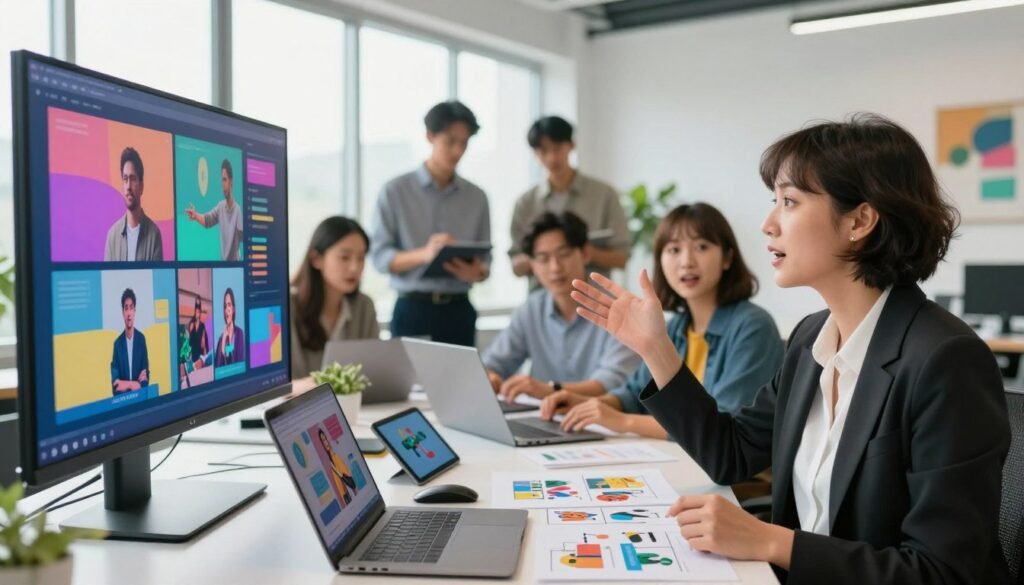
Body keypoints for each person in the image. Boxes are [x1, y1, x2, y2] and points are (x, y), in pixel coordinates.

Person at [569, 114, 1011, 584]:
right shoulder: (809, 340)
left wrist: (770, 541)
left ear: (860, 220)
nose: (767, 224)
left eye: (789, 202)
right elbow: (730, 454)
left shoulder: (945, 360)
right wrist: (655, 348)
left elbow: (942, 573)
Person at [541, 203, 783, 440]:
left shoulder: (753, 327)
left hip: (740, 479)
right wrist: (588, 403)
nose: (687, 261)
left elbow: (721, 428)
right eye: (674, 250)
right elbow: (633, 393)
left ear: (727, 258)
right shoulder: (676, 326)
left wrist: (623, 422)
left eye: (701, 246)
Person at [482, 212, 640, 402]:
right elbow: (493, 363)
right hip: (542, 416)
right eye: (543, 258)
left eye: (564, 254)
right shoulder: (531, 309)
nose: (555, 267)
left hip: (603, 418)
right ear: (531, 264)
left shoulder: (617, 307)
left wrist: (550, 390)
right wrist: (491, 378)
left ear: (585, 254)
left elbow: (612, 382)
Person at [370, 101, 490, 347]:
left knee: (462, 384)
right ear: (430, 136)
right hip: (412, 310)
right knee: (406, 385)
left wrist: (477, 273)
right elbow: (380, 258)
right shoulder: (394, 191)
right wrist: (425, 254)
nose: (457, 151)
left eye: (464, 143)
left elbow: (486, 264)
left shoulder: (477, 197)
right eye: (450, 141)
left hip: (460, 310)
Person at [509, 116, 629, 284]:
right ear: (535, 153)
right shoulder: (525, 203)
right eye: (543, 151)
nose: (551, 158)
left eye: (557, 148)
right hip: (543, 301)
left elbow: (622, 258)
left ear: (572, 145)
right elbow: (515, 265)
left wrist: (582, 251)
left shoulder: (604, 195)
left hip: (595, 299)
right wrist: (543, 256)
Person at [290, 216, 379, 380]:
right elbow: (279, 388)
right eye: (344, 257)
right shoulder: (289, 307)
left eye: (361, 258)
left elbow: (372, 374)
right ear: (316, 259)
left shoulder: (364, 306)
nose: (355, 268)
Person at [104, 147, 164, 262]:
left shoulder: (154, 234)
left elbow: (157, 279)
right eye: (125, 179)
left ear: (141, 187)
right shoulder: (112, 236)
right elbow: (108, 279)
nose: (128, 186)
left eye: (133, 179)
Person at [185, 159, 243, 261]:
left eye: (225, 179)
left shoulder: (238, 211)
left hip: (236, 266)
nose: (222, 184)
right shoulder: (220, 207)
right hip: (223, 266)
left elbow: (243, 237)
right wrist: (195, 216)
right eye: (222, 180)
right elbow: (207, 220)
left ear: (231, 181)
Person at [111, 288, 149, 395]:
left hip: (140, 401)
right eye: (126, 308)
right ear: (122, 312)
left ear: (134, 311)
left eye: (131, 308)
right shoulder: (117, 345)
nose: (129, 313)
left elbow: (146, 378)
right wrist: (134, 384)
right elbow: (115, 385)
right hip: (123, 403)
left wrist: (125, 384)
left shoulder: (141, 340)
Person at [319, 427, 357, 506]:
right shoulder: (326, 464)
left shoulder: (335, 457)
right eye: (323, 441)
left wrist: (338, 472)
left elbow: (352, 484)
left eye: (325, 439)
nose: (326, 443)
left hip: (350, 498)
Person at [214, 287, 245, 366]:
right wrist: (223, 342)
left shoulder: (239, 333)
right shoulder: (221, 339)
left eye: (229, 305)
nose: (227, 309)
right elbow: (217, 368)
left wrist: (226, 349)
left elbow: (240, 363)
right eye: (225, 306)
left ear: (233, 309)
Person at [187, 296, 209, 370]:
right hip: (192, 355)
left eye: (198, 312)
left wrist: (205, 358)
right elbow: (189, 340)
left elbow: (204, 344)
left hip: (199, 355)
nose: (197, 313)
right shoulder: (191, 324)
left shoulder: (202, 326)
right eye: (196, 312)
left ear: (200, 313)